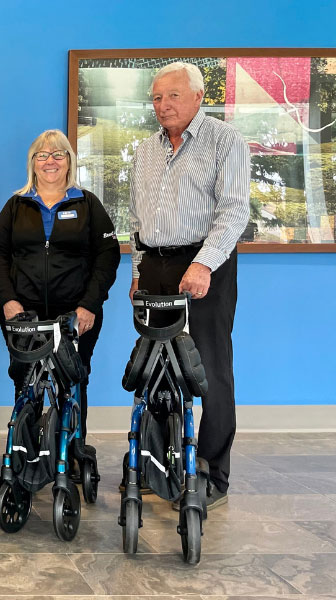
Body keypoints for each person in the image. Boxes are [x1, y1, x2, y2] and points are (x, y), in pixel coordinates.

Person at [129, 62, 250, 510]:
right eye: (157, 98)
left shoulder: (225, 141)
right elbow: (138, 220)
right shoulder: (144, 151)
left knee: (209, 368)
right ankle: (160, 464)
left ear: (198, 96)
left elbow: (234, 211)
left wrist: (202, 264)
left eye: (173, 96)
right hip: (156, 268)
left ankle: (211, 472)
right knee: (155, 367)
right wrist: (139, 271)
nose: (163, 106)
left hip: (206, 265)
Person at [0, 129, 119, 439]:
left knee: (72, 380)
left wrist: (89, 305)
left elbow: (107, 257)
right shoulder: (16, 206)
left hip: (75, 316)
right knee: (26, 382)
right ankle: (26, 453)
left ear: (69, 162)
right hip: (23, 315)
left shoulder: (88, 204)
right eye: (42, 155)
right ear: (32, 163)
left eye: (58, 154)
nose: (50, 161)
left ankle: (72, 452)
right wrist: (8, 301)